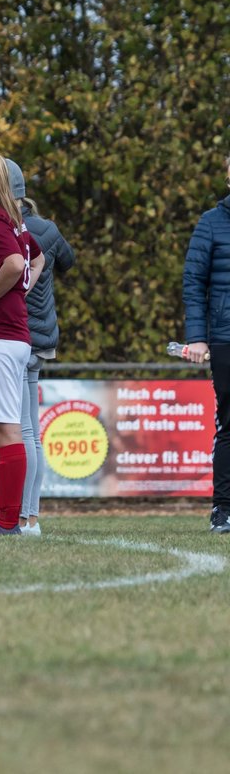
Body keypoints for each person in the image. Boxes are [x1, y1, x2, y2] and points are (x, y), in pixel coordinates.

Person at [0, 151, 44, 535]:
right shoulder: (12, 220)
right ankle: (0, 518)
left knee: (4, 431)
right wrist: (19, 290)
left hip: (2, 335)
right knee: (6, 430)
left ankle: (6, 521)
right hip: (14, 334)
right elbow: (38, 260)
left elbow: (19, 264)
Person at [13, 159, 74, 536]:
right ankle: (30, 515)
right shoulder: (46, 229)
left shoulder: (4, 227)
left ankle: (25, 517)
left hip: (18, 335)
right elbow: (68, 261)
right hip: (43, 336)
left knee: (19, 430)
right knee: (30, 431)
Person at [180, 153, 230, 533]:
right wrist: (197, 336)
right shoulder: (210, 223)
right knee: (229, 425)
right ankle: (224, 510)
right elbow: (194, 283)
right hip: (225, 337)